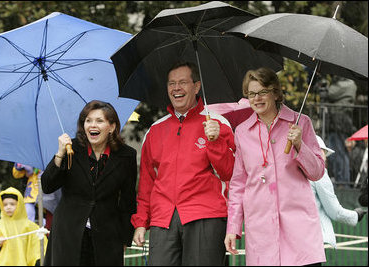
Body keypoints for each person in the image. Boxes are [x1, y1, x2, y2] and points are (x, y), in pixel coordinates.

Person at [132, 61, 235, 266]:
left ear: (196, 86)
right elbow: (147, 182)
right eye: (171, 83)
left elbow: (230, 173)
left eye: (182, 82)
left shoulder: (218, 123)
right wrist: (141, 222)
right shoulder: (155, 130)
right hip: (163, 219)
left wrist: (215, 142)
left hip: (206, 214)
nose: (176, 88)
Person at [224, 67, 326, 266]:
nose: (257, 98)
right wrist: (232, 228)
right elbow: (238, 185)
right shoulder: (242, 132)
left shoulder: (300, 123)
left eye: (263, 92)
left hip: (300, 234)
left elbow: (317, 172)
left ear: (276, 93)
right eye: (252, 94)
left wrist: (299, 145)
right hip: (261, 234)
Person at [41, 100, 137, 266]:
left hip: (107, 237)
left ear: (112, 127)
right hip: (68, 234)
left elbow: (127, 201)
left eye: (99, 121)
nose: (93, 125)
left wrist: (125, 239)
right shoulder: (71, 149)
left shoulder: (126, 156)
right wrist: (59, 154)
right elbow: (47, 185)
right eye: (88, 120)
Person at [311, 135, 366, 249]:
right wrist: (356, 215)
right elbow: (335, 212)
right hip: (312, 240)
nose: (325, 158)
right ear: (319, 151)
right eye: (324, 153)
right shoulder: (318, 172)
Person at [0, 187, 47, 266]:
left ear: (19, 205)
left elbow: (39, 249)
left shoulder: (30, 226)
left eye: (12, 204)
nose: (8, 207)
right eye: (5, 205)